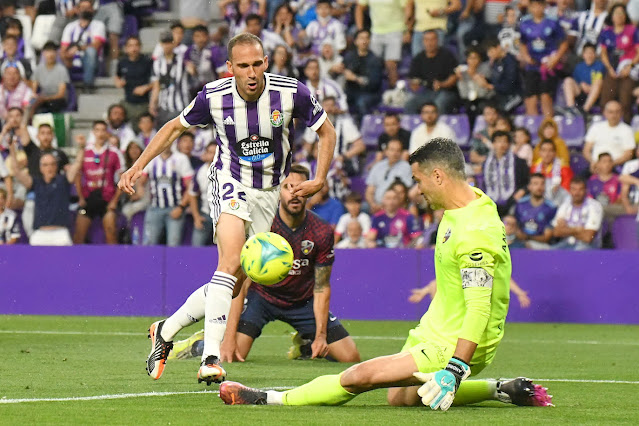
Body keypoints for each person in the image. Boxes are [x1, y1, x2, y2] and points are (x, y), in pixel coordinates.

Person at [219, 137, 552, 409]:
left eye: (419, 180)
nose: (416, 190)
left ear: (439, 176)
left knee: (358, 376)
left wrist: (454, 368)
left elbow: (479, 308)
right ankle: (498, 389)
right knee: (402, 397)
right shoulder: (472, 203)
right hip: (434, 330)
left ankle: (269, 399)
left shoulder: (475, 230)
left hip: (453, 345)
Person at [117, 33, 336, 385]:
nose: (251, 72)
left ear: (266, 62)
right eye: (243, 66)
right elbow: (174, 128)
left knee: (233, 285)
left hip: (269, 192)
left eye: (257, 64)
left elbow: (328, 132)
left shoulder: (291, 92)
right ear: (230, 68)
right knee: (230, 263)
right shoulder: (214, 97)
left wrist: (320, 178)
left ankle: (166, 330)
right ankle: (210, 359)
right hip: (229, 180)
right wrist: (138, 165)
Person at [170, 165, 361, 363]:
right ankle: (197, 344)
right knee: (233, 354)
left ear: (310, 191)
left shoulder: (321, 231)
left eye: (301, 188)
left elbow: (322, 287)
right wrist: (228, 339)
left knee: (350, 357)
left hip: (302, 302)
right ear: (278, 191)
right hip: (261, 298)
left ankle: (305, 343)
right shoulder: (263, 225)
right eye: (288, 187)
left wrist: (321, 335)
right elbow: (240, 283)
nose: (295, 194)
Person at [9, 135, 85, 246]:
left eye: (52, 164)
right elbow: (16, 172)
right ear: (40, 168)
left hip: (61, 233)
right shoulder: (35, 182)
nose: (49, 168)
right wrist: (11, 149)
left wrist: (81, 147)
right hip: (40, 233)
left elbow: (77, 164)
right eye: (45, 165)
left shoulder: (64, 180)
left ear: (57, 166)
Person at [74, 122, 123, 245]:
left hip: (107, 199)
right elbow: (77, 175)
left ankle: (114, 262)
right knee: (78, 235)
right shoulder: (85, 151)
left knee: (111, 231)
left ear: (107, 133)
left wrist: (114, 201)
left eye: (103, 130)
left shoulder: (114, 152)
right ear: (93, 132)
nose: (100, 134)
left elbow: (123, 178)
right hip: (88, 198)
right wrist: (80, 197)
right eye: (97, 130)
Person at [518, 0, 569, 116]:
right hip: (532, 65)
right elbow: (522, 43)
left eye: (539, 6)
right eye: (534, 6)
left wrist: (555, 59)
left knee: (546, 96)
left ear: (544, 7)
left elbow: (564, 43)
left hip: (548, 65)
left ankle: (548, 126)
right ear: (530, 7)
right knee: (531, 98)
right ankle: (533, 128)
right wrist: (526, 56)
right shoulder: (525, 23)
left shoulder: (553, 22)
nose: (537, 9)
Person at [140, 145, 194, 246]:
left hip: (175, 207)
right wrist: (142, 192)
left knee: (173, 244)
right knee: (148, 244)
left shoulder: (181, 159)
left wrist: (181, 207)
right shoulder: (151, 158)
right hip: (154, 207)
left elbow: (190, 186)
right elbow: (141, 181)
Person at [302, 97, 366, 177]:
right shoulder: (314, 123)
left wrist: (343, 157)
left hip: (340, 164)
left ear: (336, 107)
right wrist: (304, 153)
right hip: (319, 162)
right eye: (326, 105)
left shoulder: (345, 123)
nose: (329, 109)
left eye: (332, 105)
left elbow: (360, 146)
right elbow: (307, 145)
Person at [598, 3, 639, 123]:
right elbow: (603, 53)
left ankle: (626, 128)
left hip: (629, 70)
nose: (619, 16)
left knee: (625, 100)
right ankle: (605, 128)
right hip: (612, 69)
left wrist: (629, 66)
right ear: (612, 16)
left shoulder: (632, 30)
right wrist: (609, 68)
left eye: (622, 13)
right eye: (616, 13)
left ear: (625, 15)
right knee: (605, 100)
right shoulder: (606, 32)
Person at [355, 0, 406, 88]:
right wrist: (360, 30)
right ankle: (373, 90)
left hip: (396, 30)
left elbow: (407, 7)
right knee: (372, 62)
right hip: (376, 31)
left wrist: (407, 29)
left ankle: (393, 91)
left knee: (391, 64)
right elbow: (359, 7)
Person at [406, 30, 458, 114]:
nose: (429, 43)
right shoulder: (418, 58)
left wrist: (442, 84)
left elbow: (454, 77)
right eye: (427, 40)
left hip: (447, 92)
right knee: (409, 105)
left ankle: (437, 126)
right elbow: (412, 79)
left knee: (439, 104)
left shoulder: (447, 55)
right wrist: (414, 85)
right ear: (423, 41)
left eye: (432, 40)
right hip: (427, 92)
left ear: (437, 40)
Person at [60, 0, 106, 91]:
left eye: (88, 8)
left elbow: (95, 46)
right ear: (77, 10)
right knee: (58, 54)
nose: (85, 10)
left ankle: (88, 86)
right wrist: (67, 55)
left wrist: (78, 48)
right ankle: (64, 88)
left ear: (92, 10)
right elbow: (63, 49)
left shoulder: (99, 25)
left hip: (92, 61)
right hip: (72, 60)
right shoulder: (70, 26)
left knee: (91, 51)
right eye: (82, 8)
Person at [482, 130, 530, 217]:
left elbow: (527, 183)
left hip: (513, 201)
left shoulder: (519, 162)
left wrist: (522, 191)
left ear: (509, 144)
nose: (502, 144)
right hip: (491, 201)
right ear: (493, 144)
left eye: (505, 141)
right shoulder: (487, 163)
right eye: (499, 141)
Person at [408, 277, 532, 309]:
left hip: (475, 302)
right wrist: (425, 291)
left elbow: (502, 277)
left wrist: (519, 292)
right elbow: (445, 279)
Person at [150, 31, 191, 127]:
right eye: (164, 43)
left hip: (181, 105)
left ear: (173, 43)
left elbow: (193, 72)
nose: (167, 46)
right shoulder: (157, 63)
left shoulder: (182, 60)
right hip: (164, 106)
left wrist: (191, 68)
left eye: (169, 43)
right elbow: (156, 86)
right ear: (160, 44)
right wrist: (153, 104)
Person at [552, 176, 603, 250]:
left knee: (578, 250)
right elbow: (556, 232)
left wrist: (566, 229)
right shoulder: (565, 205)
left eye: (580, 189)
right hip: (567, 244)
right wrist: (577, 230)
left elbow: (588, 237)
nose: (577, 193)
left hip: (589, 246)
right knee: (550, 253)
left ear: (586, 190)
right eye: (574, 189)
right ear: (569, 190)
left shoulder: (594, 206)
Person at [343, 29, 384, 120]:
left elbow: (374, 83)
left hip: (370, 93)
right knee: (339, 100)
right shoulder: (349, 57)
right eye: (361, 38)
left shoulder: (375, 60)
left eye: (367, 38)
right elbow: (342, 71)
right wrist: (334, 70)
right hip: (351, 91)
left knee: (362, 102)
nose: (364, 41)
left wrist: (355, 78)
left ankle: (363, 128)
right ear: (356, 41)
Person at [366, 139, 413, 213]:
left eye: (398, 150)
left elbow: (403, 193)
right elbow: (369, 191)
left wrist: (386, 206)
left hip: (394, 206)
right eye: (392, 150)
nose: (395, 153)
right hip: (375, 205)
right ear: (386, 151)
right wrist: (373, 204)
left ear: (401, 153)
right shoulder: (377, 166)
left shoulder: (406, 167)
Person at [583, 100, 635, 169]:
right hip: (595, 165)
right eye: (611, 112)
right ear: (605, 113)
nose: (614, 115)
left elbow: (628, 154)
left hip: (616, 166)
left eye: (617, 112)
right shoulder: (596, 127)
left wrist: (609, 165)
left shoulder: (627, 130)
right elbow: (586, 150)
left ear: (621, 113)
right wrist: (593, 162)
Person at [115, 36, 153, 125]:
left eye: (136, 45)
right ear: (126, 48)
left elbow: (156, 81)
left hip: (144, 103)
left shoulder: (147, 61)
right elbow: (117, 76)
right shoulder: (122, 62)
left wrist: (146, 87)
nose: (134, 48)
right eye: (131, 46)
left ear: (140, 47)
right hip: (127, 102)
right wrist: (118, 82)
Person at [514, 173, 557, 249]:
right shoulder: (520, 204)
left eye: (542, 184)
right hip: (520, 242)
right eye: (535, 184)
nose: (539, 187)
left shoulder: (551, 208)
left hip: (541, 245)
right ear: (529, 187)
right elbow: (515, 227)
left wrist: (528, 237)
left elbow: (547, 237)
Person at [562, 42, 605, 114]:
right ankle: (571, 108)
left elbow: (600, 81)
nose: (589, 55)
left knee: (598, 82)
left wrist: (590, 87)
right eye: (587, 53)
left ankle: (585, 110)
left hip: (595, 94)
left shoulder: (600, 66)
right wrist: (581, 85)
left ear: (595, 54)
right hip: (581, 94)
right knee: (568, 80)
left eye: (591, 53)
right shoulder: (579, 67)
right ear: (583, 55)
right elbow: (576, 83)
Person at [189, 142, 217, 247]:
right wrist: (196, 217)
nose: (213, 156)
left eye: (216, 153)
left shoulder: (228, 170)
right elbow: (192, 194)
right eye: (210, 152)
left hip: (224, 215)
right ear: (205, 154)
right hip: (206, 213)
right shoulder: (199, 172)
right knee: (196, 246)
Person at [484, 38, 522, 114]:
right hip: (500, 96)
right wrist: (484, 80)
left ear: (498, 47)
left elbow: (509, 84)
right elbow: (495, 81)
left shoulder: (510, 61)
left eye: (491, 51)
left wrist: (490, 86)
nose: (489, 54)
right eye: (488, 52)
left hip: (514, 95)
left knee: (502, 111)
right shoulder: (495, 62)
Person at [31, 42, 70, 115]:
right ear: (43, 53)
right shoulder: (39, 69)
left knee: (53, 105)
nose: (50, 55)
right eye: (48, 52)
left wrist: (44, 99)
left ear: (56, 53)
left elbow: (61, 94)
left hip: (57, 100)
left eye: (53, 52)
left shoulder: (61, 70)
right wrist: (35, 97)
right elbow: (34, 89)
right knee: (30, 104)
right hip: (42, 99)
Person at [531, 139, 573, 206]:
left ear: (555, 153)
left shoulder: (564, 169)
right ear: (539, 153)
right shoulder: (534, 169)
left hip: (558, 203)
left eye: (550, 151)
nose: (547, 154)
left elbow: (566, 192)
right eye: (544, 151)